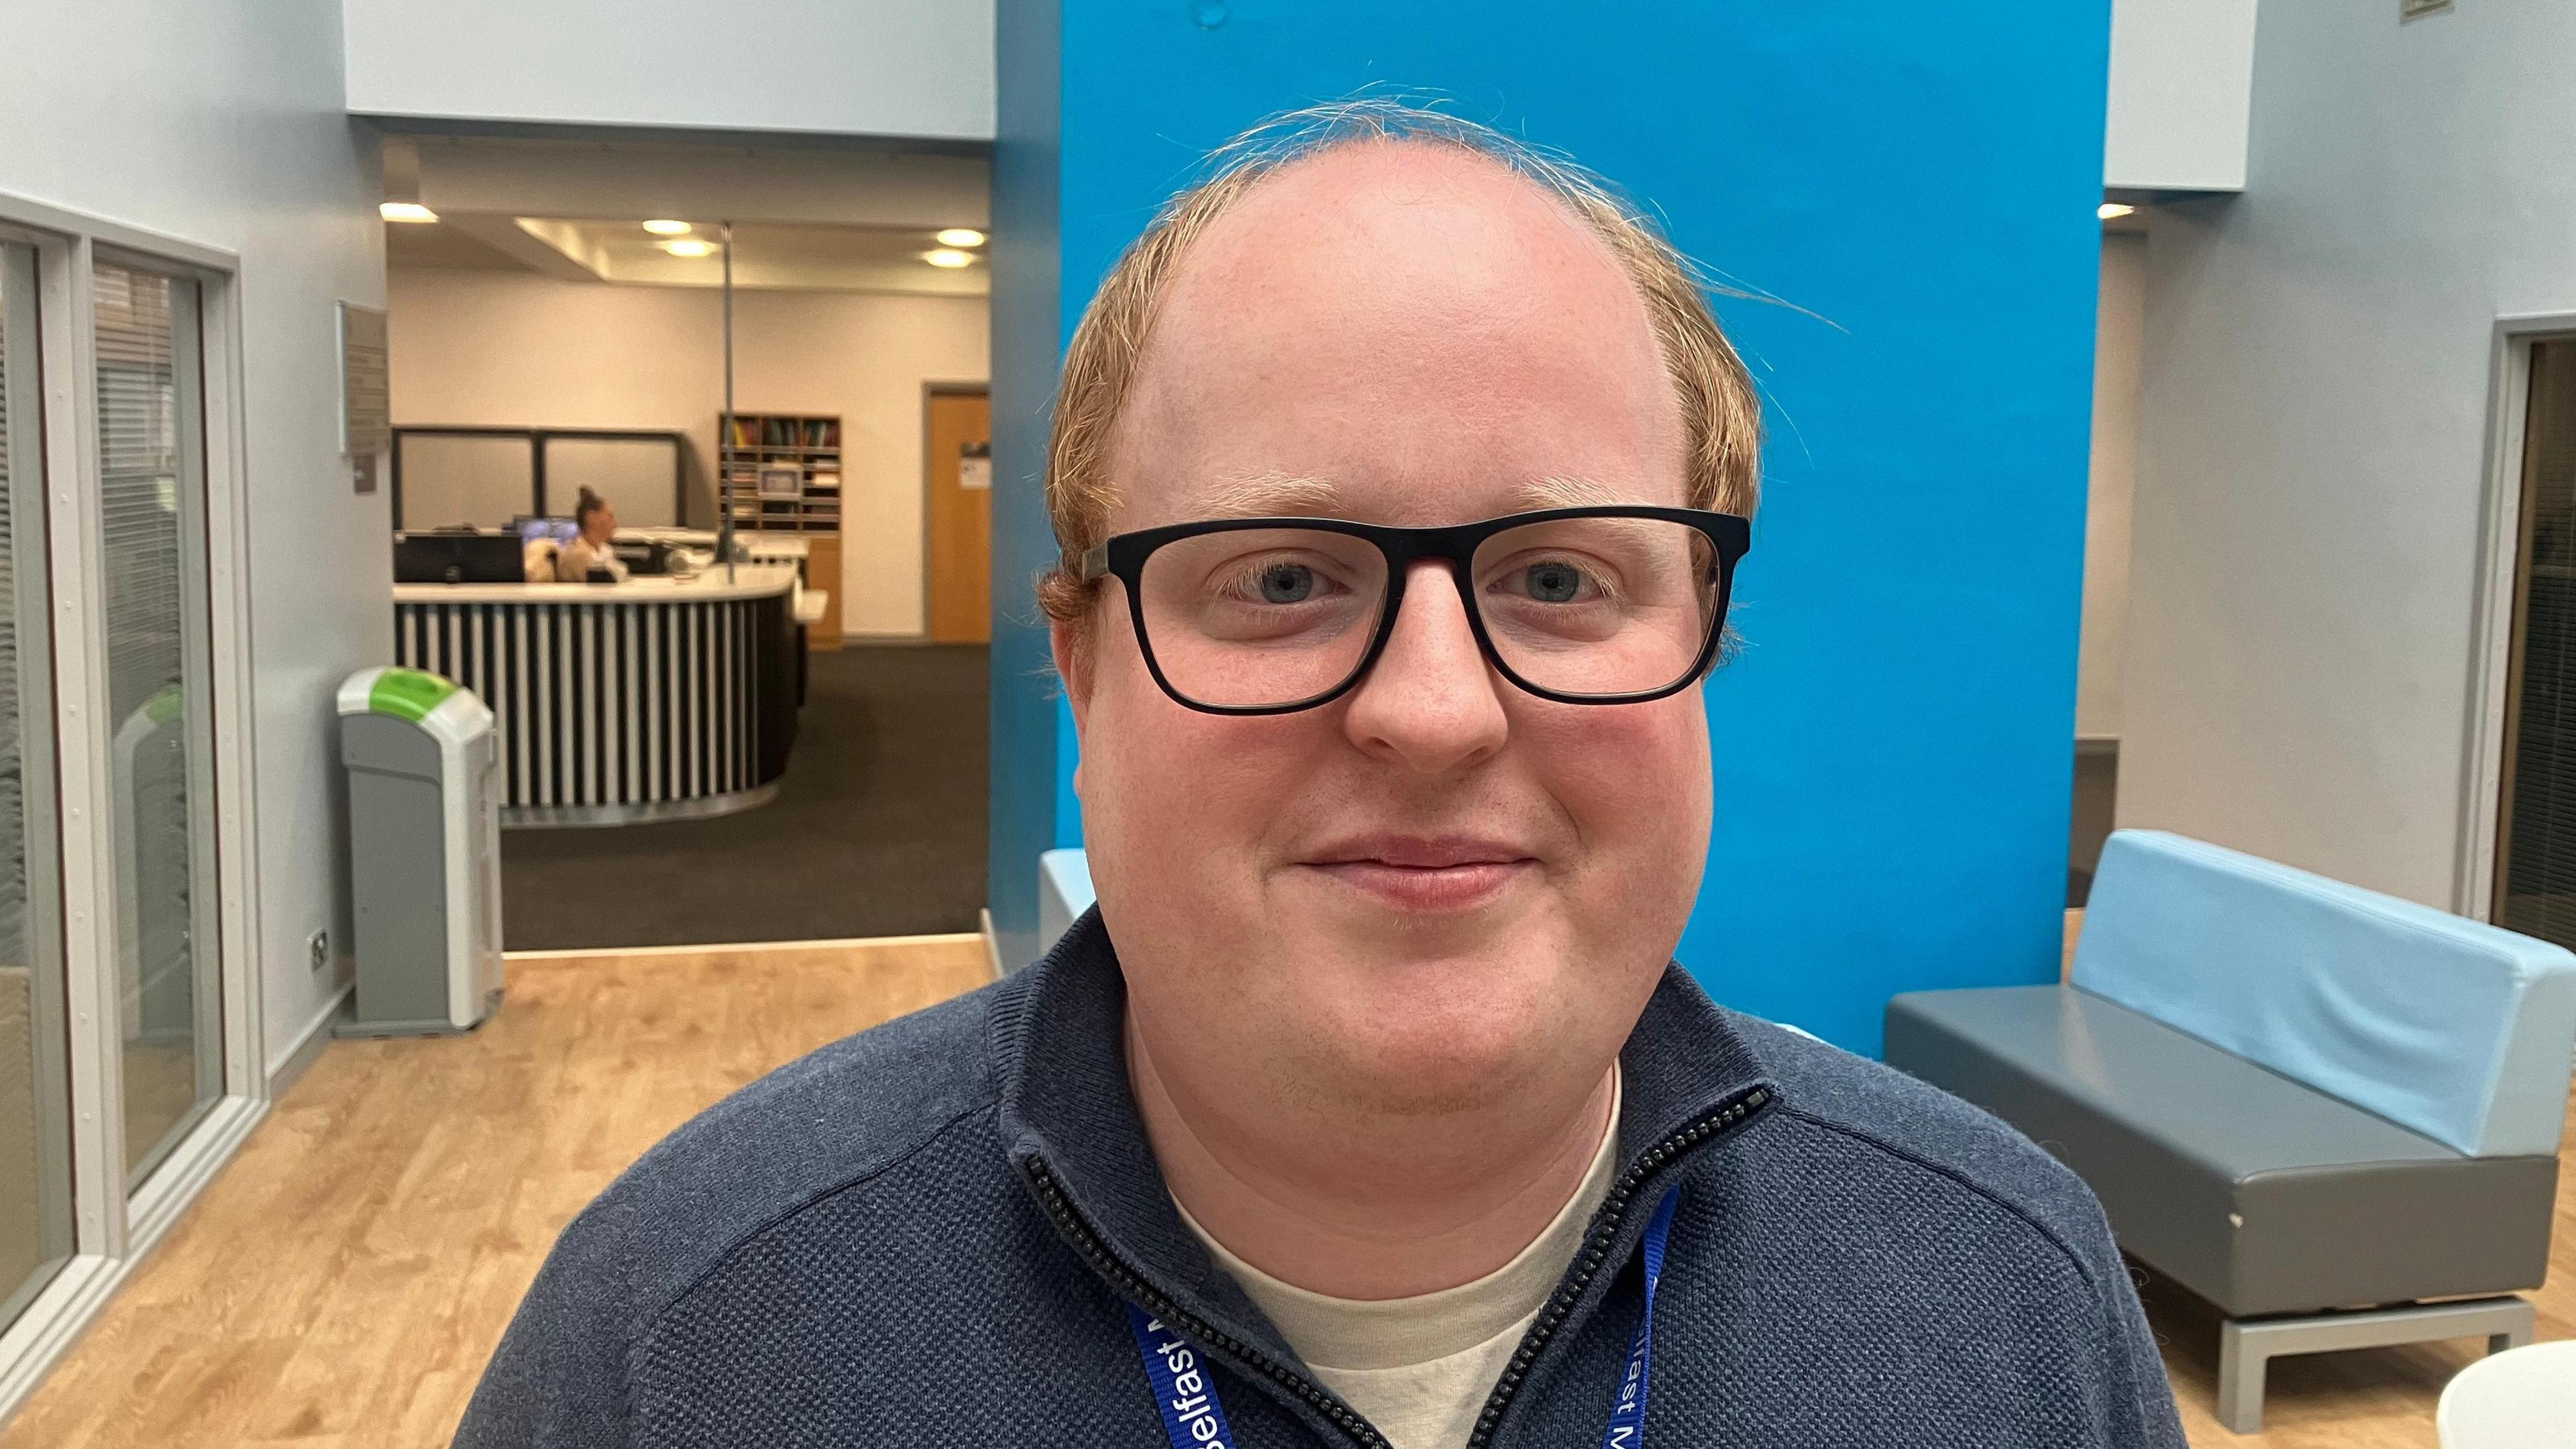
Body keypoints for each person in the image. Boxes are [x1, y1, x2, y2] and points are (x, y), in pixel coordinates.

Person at [456, 101, 2185, 1449]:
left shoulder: (2005, 1299)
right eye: (1282, 577)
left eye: (1561, 578)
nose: (1432, 712)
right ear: (1081, 669)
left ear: (1703, 649)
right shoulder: (687, 1339)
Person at [554, 488, 627, 582]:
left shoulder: (605, 551)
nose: (615, 525)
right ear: (592, 518)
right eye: (610, 517)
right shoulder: (577, 555)